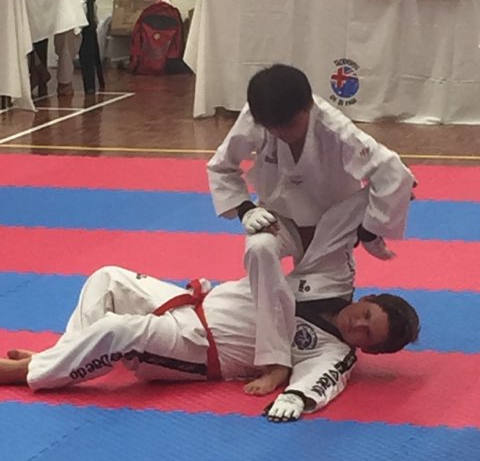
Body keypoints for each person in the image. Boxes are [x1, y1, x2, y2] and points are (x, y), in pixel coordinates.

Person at [207, 63, 417, 393]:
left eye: (288, 124)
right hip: (279, 219)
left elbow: (394, 172)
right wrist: (245, 209)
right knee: (259, 247)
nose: (281, 133)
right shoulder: (257, 115)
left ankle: (369, 233)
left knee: (400, 184)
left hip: (332, 227)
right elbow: (221, 167)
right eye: (272, 128)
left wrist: (370, 229)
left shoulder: (337, 129)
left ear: (309, 106)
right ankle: (275, 361)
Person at [0, 266, 419, 422]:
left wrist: (297, 398)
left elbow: (323, 380)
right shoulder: (323, 288)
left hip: (197, 346)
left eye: (368, 335)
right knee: (106, 277)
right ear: (366, 299)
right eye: (366, 315)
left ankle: (27, 373)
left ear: (369, 351)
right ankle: (62, 356)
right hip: (186, 304)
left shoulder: (334, 352)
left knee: (118, 330)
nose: (358, 326)